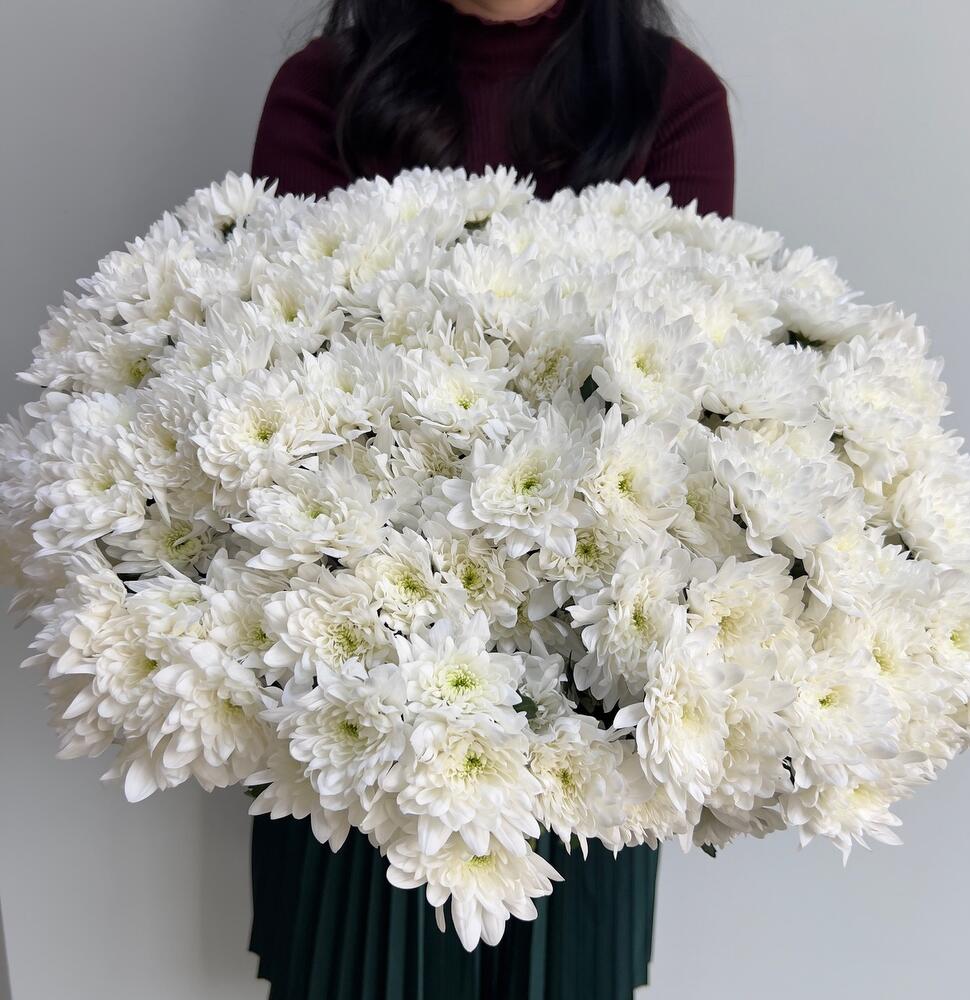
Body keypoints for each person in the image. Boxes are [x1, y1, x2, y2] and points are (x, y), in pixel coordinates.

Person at [247, 2, 734, 999]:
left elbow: (684, 394)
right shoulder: (324, 90)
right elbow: (281, 377)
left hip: (588, 692)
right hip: (354, 672)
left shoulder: (670, 100)